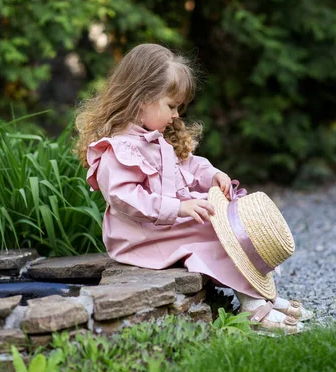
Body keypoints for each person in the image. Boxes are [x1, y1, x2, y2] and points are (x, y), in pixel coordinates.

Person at [75, 43, 312, 332]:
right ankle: (253, 309)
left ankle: (261, 294)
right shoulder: (120, 149)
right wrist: (179, 207)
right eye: (171, 106)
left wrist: (212, 175)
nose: (176, 115)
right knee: (217, 229)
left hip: (163, 225)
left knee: (231, 219)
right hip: (140, 236)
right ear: (141, 99)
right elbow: (126, 198)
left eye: (178, 108)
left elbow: (187, 165)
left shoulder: (156, 137)